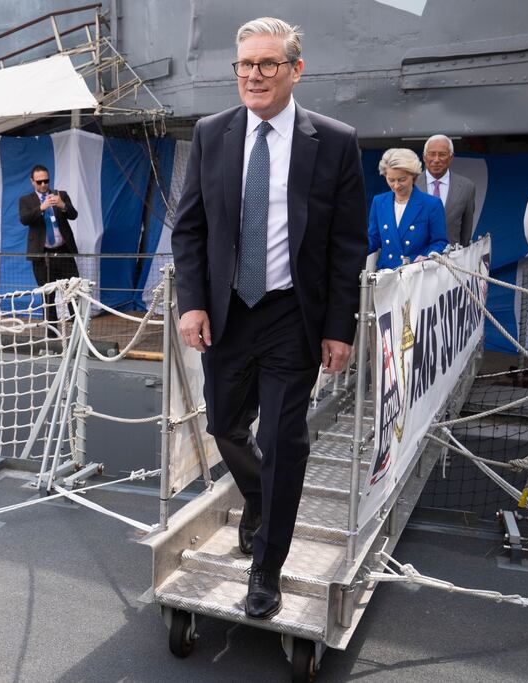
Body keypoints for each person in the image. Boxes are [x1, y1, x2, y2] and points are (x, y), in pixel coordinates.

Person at [171, 17, 367, 620]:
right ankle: (259, 498)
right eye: (244, 65)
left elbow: (345, 244)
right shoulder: (212, 133)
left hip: (292, 315)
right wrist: (193, 303)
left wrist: (340, 327)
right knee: (225, 426)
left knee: (284, 440)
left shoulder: (333, 141)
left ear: (295, 69)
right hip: (229, 313)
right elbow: (191, 227)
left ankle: (266, 568)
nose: (253, 76)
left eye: (267, 65)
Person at [18, 165, 79, 330]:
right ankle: (52, 338)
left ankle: (79, 333)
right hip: (42, 256)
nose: (44, 184)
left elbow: (73, 215)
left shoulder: (61, 195)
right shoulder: (26, 200)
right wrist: (41, 208)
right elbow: (24, 219)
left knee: (73, 294)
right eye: (39, 182)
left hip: (64, 252)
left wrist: (63, 205)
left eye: (46, 180)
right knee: (48, 298)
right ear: (32, 182)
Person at [369, 148, 448, 267]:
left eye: (402, 180)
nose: (396, 186)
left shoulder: (432, 204)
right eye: (391, 180)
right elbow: (373, 239)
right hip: (386, 275)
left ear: (413, 176)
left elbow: (439, 241)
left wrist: (429, 256)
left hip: (416, 274)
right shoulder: (379, 202)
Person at [416, 134, 476, 246]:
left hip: (451, 258)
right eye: (431, 154)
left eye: (442, 154)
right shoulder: (411, 185)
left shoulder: (467, 187)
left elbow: (466, 234)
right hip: (417, 259)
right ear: (424, 157)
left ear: (451, 157)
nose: (436, 160)